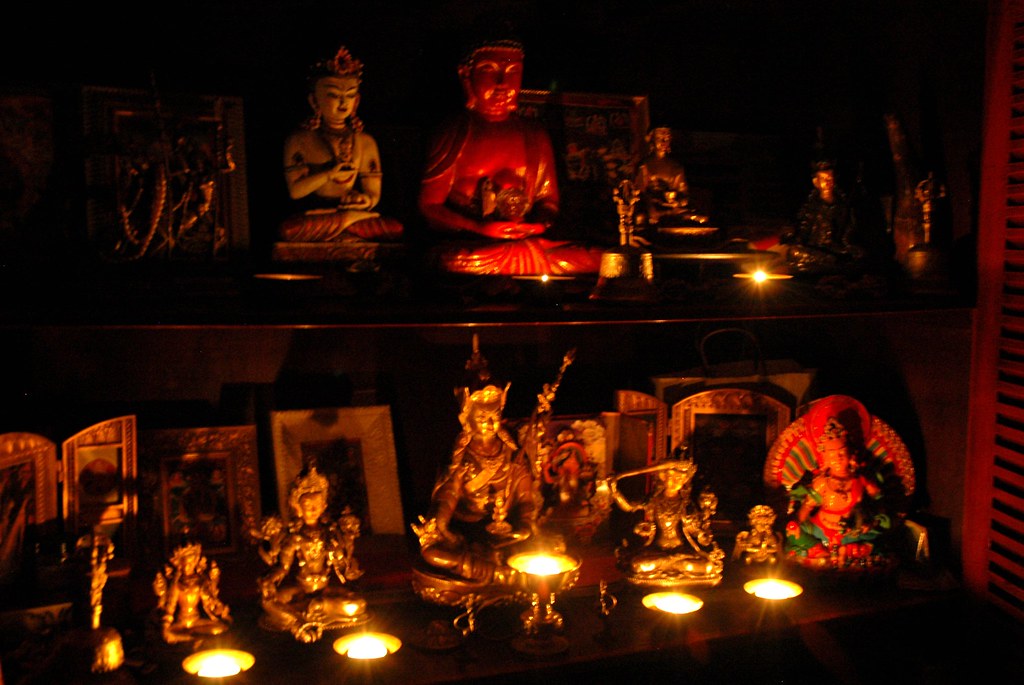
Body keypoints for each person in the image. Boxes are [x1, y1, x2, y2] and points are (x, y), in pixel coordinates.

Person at [417, 38, 602, 275]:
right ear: (466, 74)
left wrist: (538, 223)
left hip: (524, 242)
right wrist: (480, 227)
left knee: (599, 259)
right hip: (474, 244)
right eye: (489, 70)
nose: (503, 83)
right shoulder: (454, 130)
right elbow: (429, 206)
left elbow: (548, 201)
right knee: (452, 260)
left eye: (513, 72)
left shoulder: (534, 132)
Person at [411, 337, 540, 601]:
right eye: (481, 417)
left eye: (493, 416)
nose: (488, 423)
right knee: (432, 552)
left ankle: (495, 573)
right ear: (466, 418)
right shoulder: (460, 457)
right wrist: (440, 525)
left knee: (547, 544)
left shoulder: (512, 453)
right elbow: (447, 498)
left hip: (507, 537)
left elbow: (527, 500)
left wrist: (524, 525)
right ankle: (499, 575)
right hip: (467, 536)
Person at [278, 46, 402, 244]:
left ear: (357, 100)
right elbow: (295, 191)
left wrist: (364, 201)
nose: (343, 102)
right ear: (314, 101)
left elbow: (372, 194)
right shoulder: (299, 140)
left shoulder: (365, 141)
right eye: (334, 95)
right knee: (290, 230)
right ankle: (347, 227)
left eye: (350, 95)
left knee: (394, 228)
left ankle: (347, 224)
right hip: (318, 214)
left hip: (352, 213)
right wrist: (328, 174)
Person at [251, 467, 367, 643]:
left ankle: (305, 614)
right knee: (267, 602)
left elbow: (342, 565)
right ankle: (302, 619)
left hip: (325, 592)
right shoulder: (294, 538)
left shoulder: (330, 534)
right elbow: (283, 567)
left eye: (316, 505)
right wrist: (269, 580)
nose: (312, 509)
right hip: (300, 592)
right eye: (307, 505)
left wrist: (345, 556)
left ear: (324, 507)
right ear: (297, 508)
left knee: (357, 605)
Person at [784, 396, 890, 567]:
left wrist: (872, 521)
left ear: (851, 454)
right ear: (824, 458)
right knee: (792, 530)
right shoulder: (821, 483)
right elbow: (805, 511)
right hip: (821, 530)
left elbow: (880, 502)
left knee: (880, 537)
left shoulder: (861, 480)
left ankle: (841, 551)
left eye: (842, 453)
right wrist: (795, 521)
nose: (837, 459)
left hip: (852, 532)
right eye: (832, 455)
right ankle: (823, 549)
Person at [602, 451, 724, 587]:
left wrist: (702, 532)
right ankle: (672, 563)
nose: (675, 482)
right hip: (657, 550)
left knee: (707, 566)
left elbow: (694, 530)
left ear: (684, 481)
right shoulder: (653, 500)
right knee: (638, 565)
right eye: (672, 477)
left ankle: (672, 563)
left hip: (681, 550)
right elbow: (629, 506)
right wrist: (614, 491)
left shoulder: (686, 504)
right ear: (663, 477)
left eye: (679, 479)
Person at [781, 160, 864, 274]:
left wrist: (846, 244)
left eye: (830, 178)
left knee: (857, 254)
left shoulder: (842, 205)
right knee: (794, 251)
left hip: (835, 249)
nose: (828, 182)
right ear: (816, 182)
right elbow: (803, 230)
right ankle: (831, 261)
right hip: (815, 249)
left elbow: (849, 231)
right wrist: (794, 236)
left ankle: (833, 261)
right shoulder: (811, 205)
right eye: (824, 179)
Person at [152, 542, 231, 644]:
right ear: (180, 564)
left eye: (192, 563)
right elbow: (170, 608)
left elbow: (208, 600)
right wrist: (165, 627)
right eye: (186, 564)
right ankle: (193, 640)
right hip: (181, 624)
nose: (189, 567)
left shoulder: (200, 580)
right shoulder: (177, 583)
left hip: (197, 622)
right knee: (172, 636)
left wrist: (218, 609)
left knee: (220, 629)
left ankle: (197, 640)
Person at [634, 127, 710, 232]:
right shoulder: (645, 165)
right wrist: (652, 204)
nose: (664, 141)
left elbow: (684, 194)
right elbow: (640, 192)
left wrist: (677, 201)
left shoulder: (676, 167)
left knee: (700, 217)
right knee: (641, 218)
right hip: (653, 207)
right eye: (660, 137)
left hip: (673, 209)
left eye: (667, 138)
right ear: (652, 139)